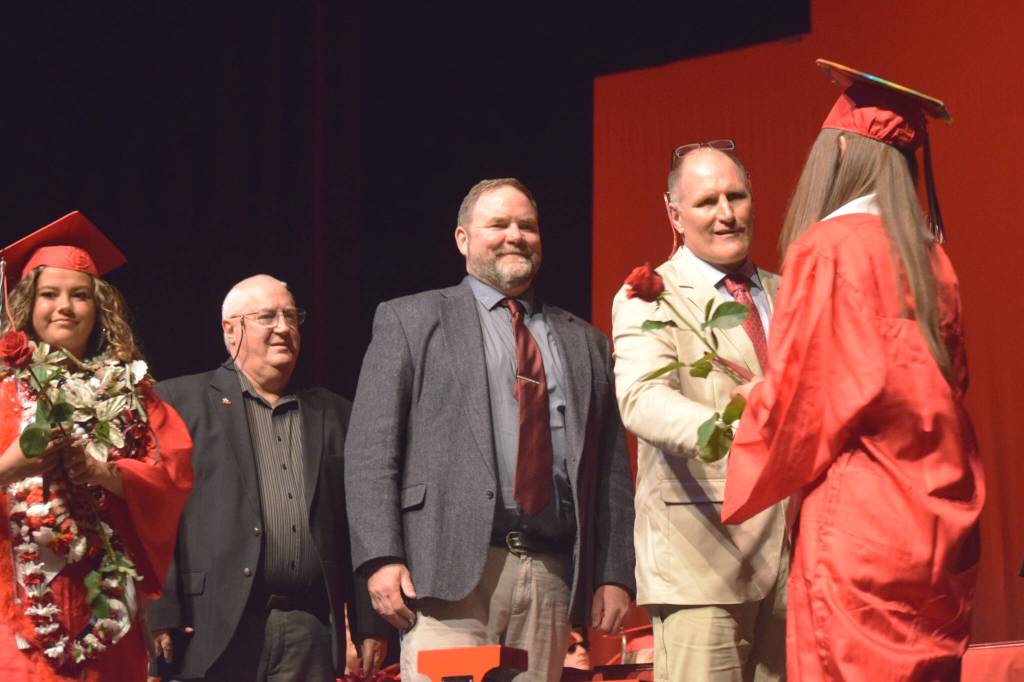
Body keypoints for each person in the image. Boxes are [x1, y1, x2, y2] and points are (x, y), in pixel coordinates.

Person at [721, 61, 985, 681]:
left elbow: (806, 399)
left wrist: (755, 399)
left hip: (861, 516)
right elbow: (952, 384)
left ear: (841, 148)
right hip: (936, 522)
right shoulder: (935, 262)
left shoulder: (827, 247)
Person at [345, 178, 636, 681]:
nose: (515, 236)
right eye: (498, 224)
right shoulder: (412, 320)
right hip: (445, 572)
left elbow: (610, 469)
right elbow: (371, 449)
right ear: (463, 239)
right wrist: (381, 557)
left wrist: (613, 572)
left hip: (549, 574)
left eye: (527, 226)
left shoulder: (584, 341)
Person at [146, 275, 388, 681]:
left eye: (291, 317)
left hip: (309, 630)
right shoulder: (178, 401)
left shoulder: (334, 412)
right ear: (230, 329)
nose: (283, 327)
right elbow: (154, 513)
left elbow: (361, 518)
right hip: (211, 627)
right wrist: (159, 609)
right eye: (267, 317)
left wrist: (369, 621)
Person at [611, 142, 788, 681]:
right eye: (707, 200)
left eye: (736, 196)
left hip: (792, 564)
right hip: (700, 564)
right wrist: (739, 428)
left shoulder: (788, 293)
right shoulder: (652, 297)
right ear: (674, 215)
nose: (727, 213)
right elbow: (642, 401)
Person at [0, 211, 193, 681]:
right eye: (49, 294)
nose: (64, 306)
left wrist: (104, 472)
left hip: (107, 620)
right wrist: (12, 465)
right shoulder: (2, 391)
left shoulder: (131, 395)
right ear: (27, 304)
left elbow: (172, 479)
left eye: (79, 295)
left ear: (99, 306)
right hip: (14, 619)